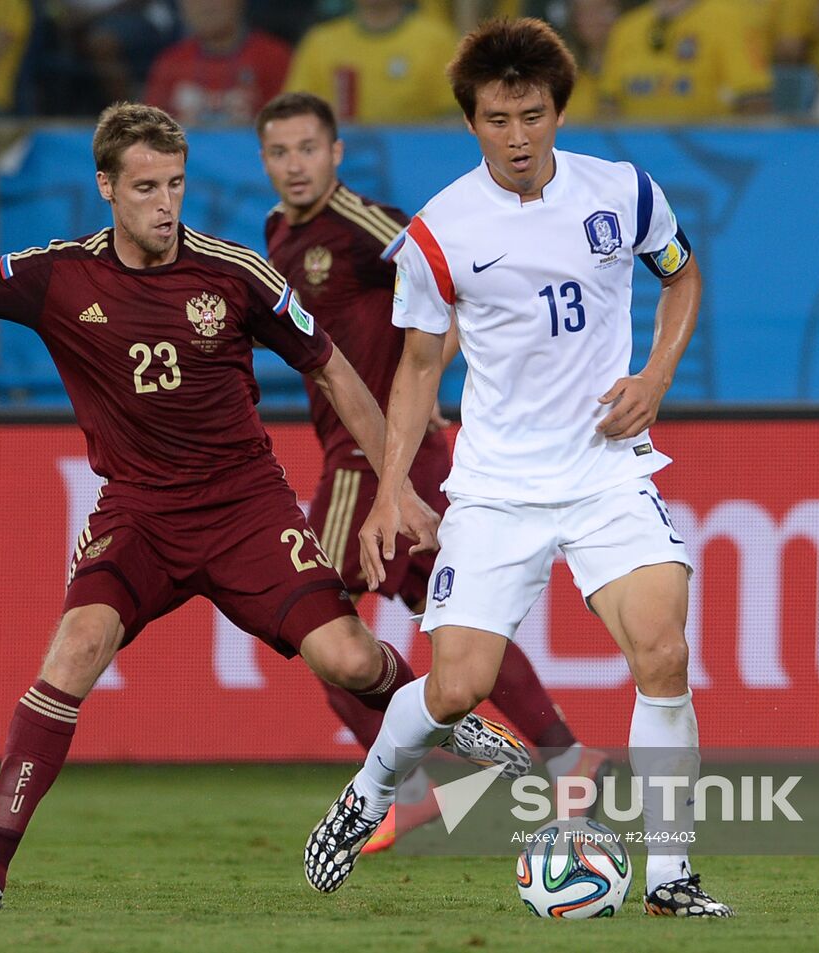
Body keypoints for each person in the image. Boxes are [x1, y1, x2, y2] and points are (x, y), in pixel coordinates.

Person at [0, 102, 528, 912]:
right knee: (73, 652)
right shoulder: (58, 275)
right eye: (146, 187)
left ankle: (444, 716)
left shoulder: (236, 272)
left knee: (350, 662)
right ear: (106, 187)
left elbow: (332, 369)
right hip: (139, 513)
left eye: (176, 184)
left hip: (247, 507)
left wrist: (390, 486)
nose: (165, 203)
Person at [302, 18, 733, 918]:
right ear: (472, 123)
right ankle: (370, 791)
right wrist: (391, 486)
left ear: (558, 111)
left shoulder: (626, 193)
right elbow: (419, 364)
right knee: (457, 686)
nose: (518, 135)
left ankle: (672, 878)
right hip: (496, 487)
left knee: (664, 650)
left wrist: (655, 376)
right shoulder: (440, 230)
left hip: (608, 471)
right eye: (498, 118)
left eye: (532, 114)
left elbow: (682, 277)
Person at [256, 90, 610, 853]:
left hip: (375, 454)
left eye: (308, 149)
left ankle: (404, 787)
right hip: (367, 451)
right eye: (280, 152)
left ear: (337, 151)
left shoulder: (365, 228)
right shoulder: (278, 232)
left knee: (310, 612)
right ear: (265, 161)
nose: (295, 165)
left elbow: (444, 280)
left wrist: (433, 387)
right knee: (456, 616)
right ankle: (566, 756)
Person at [282, 0, 457, 123]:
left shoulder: (437, 40)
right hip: (341, 160)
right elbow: (293, 112)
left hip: (415, 161)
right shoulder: (320, 41)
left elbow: (454, 117)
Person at [598, 0, 772, 120]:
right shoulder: (627, 27)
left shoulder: (729, 19)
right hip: (637, 151)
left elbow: (754, 99)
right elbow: (609, 102)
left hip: (706, 152)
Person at [144, 0, 292, 126]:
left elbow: (290, 125)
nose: (206, 5)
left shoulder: (274, 57)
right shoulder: (170, 61)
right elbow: (150, 130)